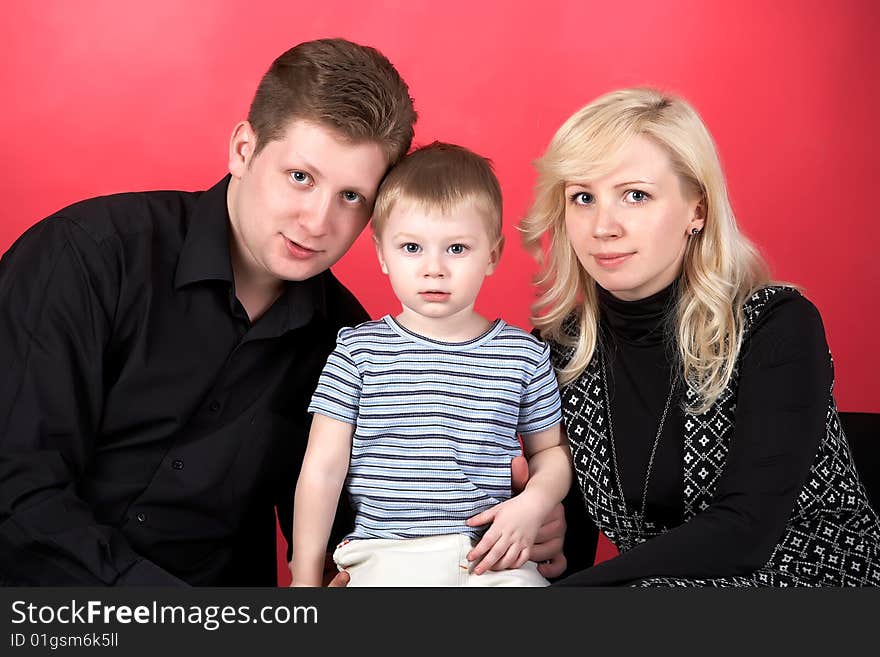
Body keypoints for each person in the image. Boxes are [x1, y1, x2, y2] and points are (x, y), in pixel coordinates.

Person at [0, 38, 417, 586]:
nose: (318, 221)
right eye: (301, 177)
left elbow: (356, 531)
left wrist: (504, 521)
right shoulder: (86, 256)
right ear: (243, 150)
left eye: (351, 197)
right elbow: (15, 490)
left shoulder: (349, 343)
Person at [520, 87, 880, 586]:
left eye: (636, 195)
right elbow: (572, 543)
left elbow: (745, 534)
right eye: (583, 197)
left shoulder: (776, 325)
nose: (603, 226)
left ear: (698, 210)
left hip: (813, 582)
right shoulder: (561, 347)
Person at [290, 143, 572, 586]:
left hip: (488, 557)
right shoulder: (357, 353)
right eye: (412, 248)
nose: (434, 269)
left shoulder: (523, 355)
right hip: (384, 554)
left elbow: (550, 452)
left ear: (493, 255)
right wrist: (305, 577)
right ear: (382, 254)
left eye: (457, 248)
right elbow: (322, 468)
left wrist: (532, 503)